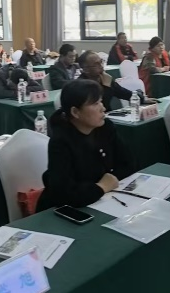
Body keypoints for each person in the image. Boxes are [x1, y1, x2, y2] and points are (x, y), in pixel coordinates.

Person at [37, 80, 135, 212]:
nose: (103, 108)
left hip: (102, 200)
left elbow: (129, 164)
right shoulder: (60, 142)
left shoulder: (106, 127)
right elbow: (64, 194)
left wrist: (109, 181)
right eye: (95, 104)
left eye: (101, 101)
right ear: (75, 112)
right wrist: (101, 187)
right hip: (65, 211)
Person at [79, 51, 144, 111]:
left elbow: (125, 94)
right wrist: (106, 87)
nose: (101, 66)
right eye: (96, 64)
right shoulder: (81, 85)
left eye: (101, 62)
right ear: (86, 69)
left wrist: (140, 96)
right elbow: (101, 106)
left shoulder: (104, 78)